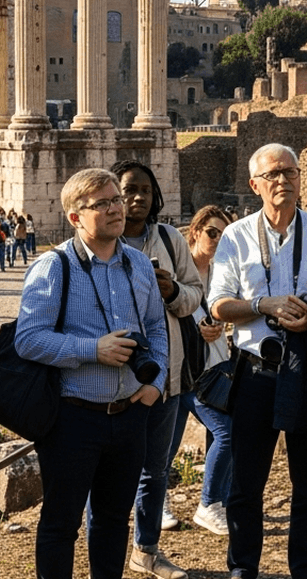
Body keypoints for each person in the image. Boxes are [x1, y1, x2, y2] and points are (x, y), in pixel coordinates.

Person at [208, 143, 307, 579]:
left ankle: (305, 571)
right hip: (256, 373)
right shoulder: (236, 236)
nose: (282, 181)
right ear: (255, 185)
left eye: (289, 172)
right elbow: (218, 304)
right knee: (245, 486)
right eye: (272, 175)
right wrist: (263, 305)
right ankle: (242, 569)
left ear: (299, 177)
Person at [15, 168, 168, 579]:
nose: (117, 208)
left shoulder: (137, 263)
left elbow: (156, 326)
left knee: (114, 520)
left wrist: (156, 382)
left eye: (116, 199)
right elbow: (28, 339)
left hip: (130, 412)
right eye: (102, 203)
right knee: (62, 524)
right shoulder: (53, 266)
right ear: (75, 217)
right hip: (73, 416)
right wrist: (93, 350)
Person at [109, 160, 203, 579]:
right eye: (129, 190)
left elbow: (195, 295)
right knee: (109, 469)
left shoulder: (170, 239)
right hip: (115, 379)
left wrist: (171, 291)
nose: (138, 198)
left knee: (156, 469)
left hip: (170, 374)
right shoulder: (99, 244)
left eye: (146, 190)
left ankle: (145, 549)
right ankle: (106, 549)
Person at [165, 205, 234, 536]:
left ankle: (214, 502)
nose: (218, 238)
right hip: (180, 367)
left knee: (218, 433)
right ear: (194, 232)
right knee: (174, 440)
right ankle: (204, 504)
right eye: (212, 232)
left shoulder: (222, 271)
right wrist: (197, 332)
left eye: (224, 233)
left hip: (210, 367)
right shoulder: (178, 269)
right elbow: (165, 315)